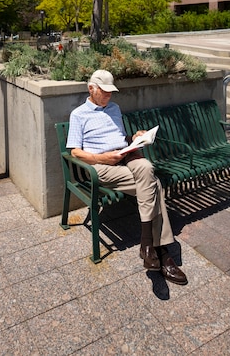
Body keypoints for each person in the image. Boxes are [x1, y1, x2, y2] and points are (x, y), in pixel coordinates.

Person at [66, 69, 187, 285]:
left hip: (125, 156)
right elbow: (75, 151)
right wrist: (102, 157)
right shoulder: (78, 115)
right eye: (104, 92)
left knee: (147, 168)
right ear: (91, 89)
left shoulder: (114, 108)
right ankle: (162, 252)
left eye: (111, 92)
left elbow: (120, 137)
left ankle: (147, 245)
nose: (108, 96)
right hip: (102, 166)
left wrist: (135, 137)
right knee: (155, 185)